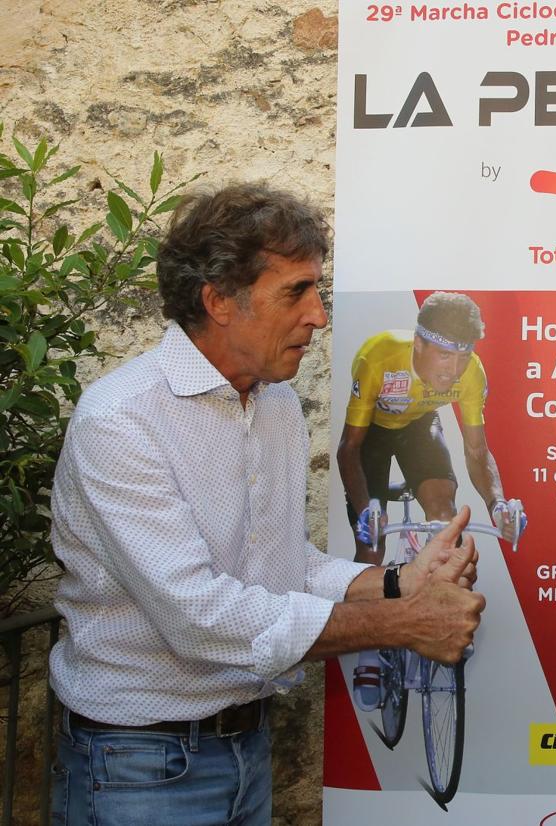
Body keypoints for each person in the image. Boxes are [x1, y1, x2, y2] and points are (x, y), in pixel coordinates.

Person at [49, 184, 486, 826]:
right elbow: (198, 616)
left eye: (318, 290)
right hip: (137, 766)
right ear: (218, 300)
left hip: (246, 751)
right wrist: (404, 623)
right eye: (295, 292)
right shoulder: (120, 421)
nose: (318, 315)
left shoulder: (273, 401)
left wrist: (396, 581)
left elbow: (282, 565)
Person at [336, 293, 520, 709]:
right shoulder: (379, 355)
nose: (452, 369)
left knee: (443, 514)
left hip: (419, 427)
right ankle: (370, 647)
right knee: (373, 542)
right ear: (418, 343)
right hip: (372, 437)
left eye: (461, 357)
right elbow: (349, 448)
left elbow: (477, 452)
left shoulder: (471, 371)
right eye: (443, 355)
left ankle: (438, 613)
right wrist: (367, 508)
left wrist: (499, 504)